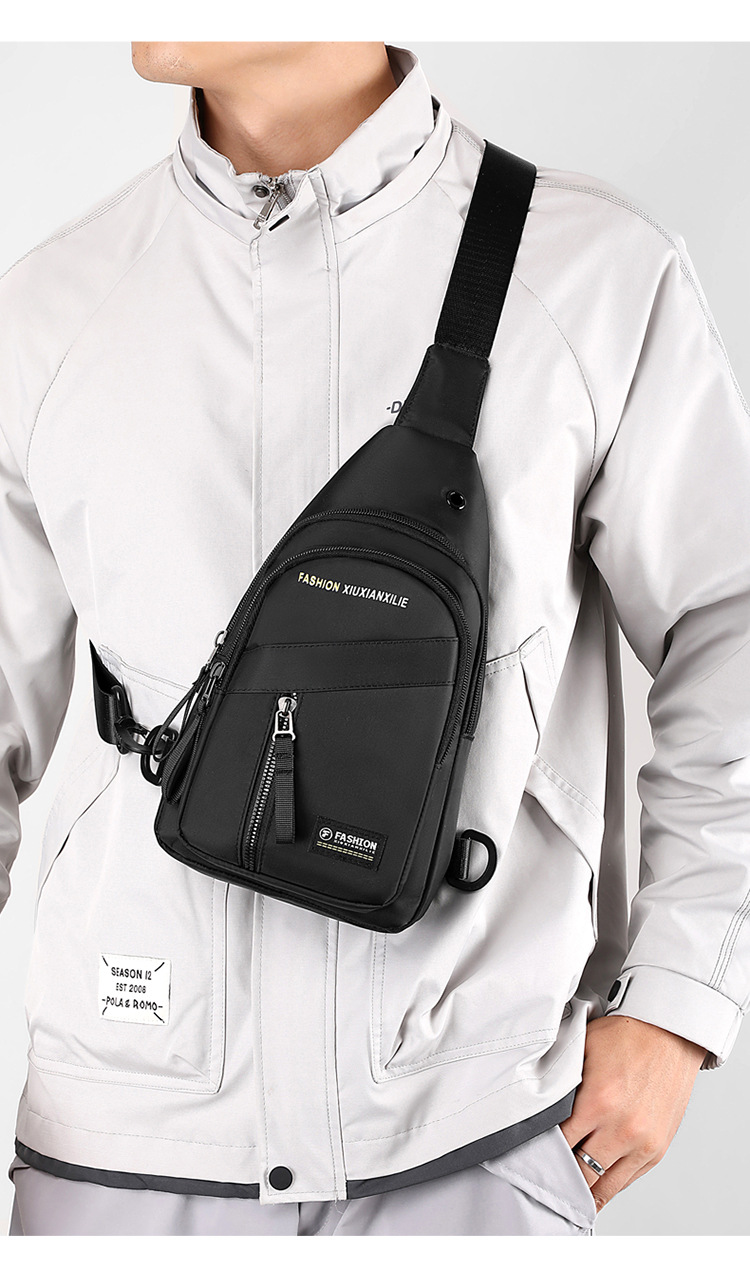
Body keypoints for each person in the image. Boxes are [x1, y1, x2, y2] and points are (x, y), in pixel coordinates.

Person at [2, 40, 747, 1237]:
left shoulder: (593, 272)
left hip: (476, 1133)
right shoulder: (53, 307)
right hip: (120, 1154)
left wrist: (677, 1001)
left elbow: (731, 630)